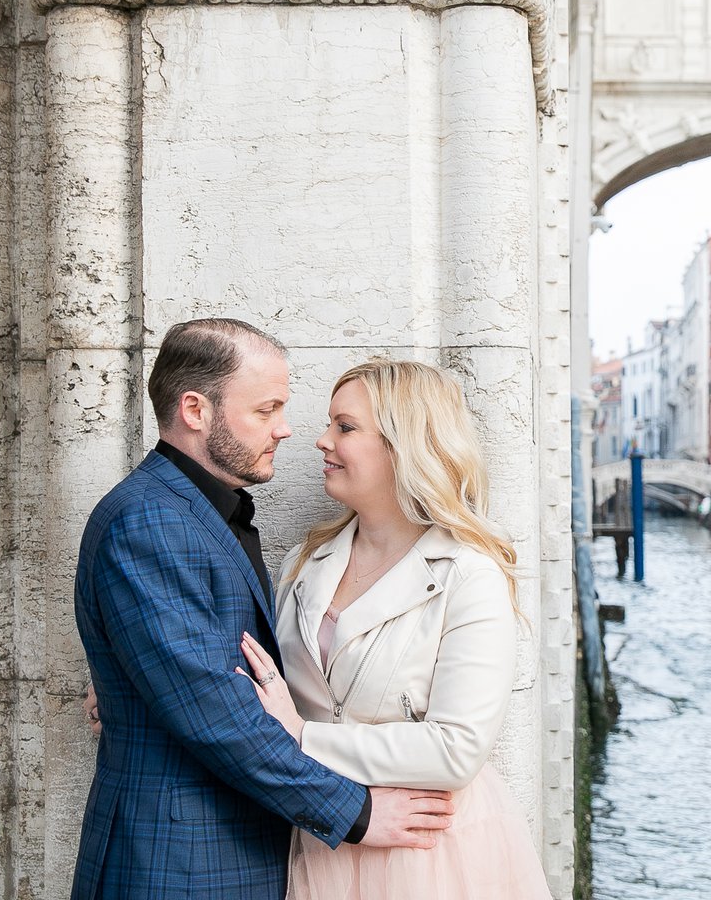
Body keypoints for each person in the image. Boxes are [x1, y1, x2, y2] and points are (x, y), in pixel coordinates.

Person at [72, 319, 453, 900]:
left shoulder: (206, 513)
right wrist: (355, 813)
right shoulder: (149, 521)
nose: (286, 429)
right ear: (196, 411)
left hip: (230, 850)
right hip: (177, 862)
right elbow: (214, 712)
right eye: (266, 410)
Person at [237, 358, 551, 898]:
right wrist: (133, 683)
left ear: (402, 444)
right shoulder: (302, 562)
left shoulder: (468, 575)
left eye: (345, 426)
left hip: (429, 852)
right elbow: (241, 662)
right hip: (322, 837)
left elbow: (456, 750)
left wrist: (305, 738)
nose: (320, 440)